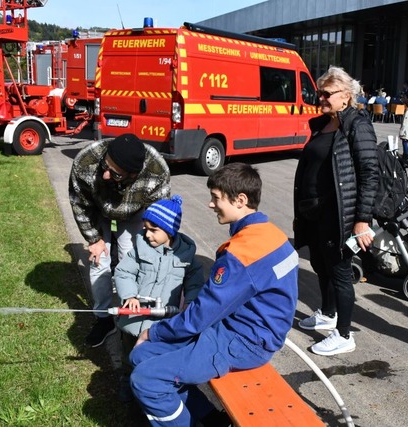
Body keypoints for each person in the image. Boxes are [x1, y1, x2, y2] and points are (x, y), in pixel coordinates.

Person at [128, 163, 299, 426]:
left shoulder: (241, 254)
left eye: (216, 198)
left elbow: (199, 316)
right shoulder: (273, 235)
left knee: (145, 379)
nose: (210, 204)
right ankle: (210, 419)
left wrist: (153, 332)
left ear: (240, 200)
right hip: (243, 329)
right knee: (140, 356)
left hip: (242, 342)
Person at [294, 66, 379, 356]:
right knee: (321, 265)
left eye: (327, 94)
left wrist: (362, 220)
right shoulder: (323, 124)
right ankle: (327, 315)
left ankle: (344, 335)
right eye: (320, 93)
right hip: (315, 213)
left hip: (339, 215)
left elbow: (369, 172)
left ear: (346, 96)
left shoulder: (357, 124)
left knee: (340, 272)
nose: (321, 98)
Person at [69, 134, 171, 348]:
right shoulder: (86, 162)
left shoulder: (156, 170)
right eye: (105, 166)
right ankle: (104, 320)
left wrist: (152, 239)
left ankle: (132, 316)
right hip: (98, 209)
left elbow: (159, 212)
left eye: (114, 173)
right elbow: (79, 204)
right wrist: (94, 239)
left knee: (131, 258)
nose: (105, 175)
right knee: (99, 262)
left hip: (133, 213)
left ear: (133, 175)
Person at [113, 195, 204, 402]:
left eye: (154, 230)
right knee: (129, 354)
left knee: (153, 357)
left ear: (170, 231)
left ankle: (147, 385)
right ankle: (127, 381)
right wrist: (130, 295)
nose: (148, 235)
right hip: (134, 320)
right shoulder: (140, 248)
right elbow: (123, 272)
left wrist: (190, 301)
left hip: (160, 322)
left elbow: (195, 282)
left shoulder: (186, 256)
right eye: (145, 228)